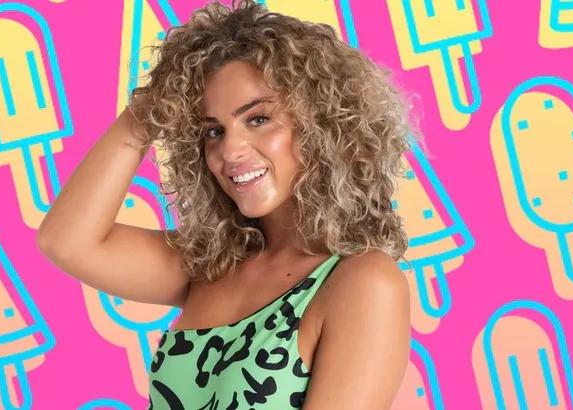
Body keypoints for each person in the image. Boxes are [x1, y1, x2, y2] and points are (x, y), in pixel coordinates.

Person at [37, 0, 413, 408]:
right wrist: (152, 105)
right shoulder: (214, 263)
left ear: (321, 125)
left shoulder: (363, 282)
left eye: (257, 119)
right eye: (214, 130)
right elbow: (67, 242)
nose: (230, 150)